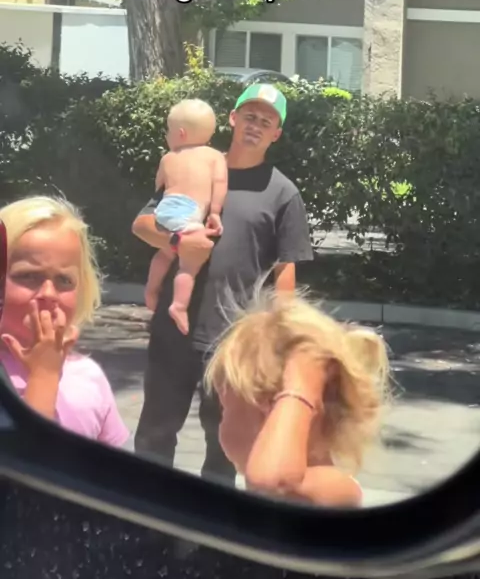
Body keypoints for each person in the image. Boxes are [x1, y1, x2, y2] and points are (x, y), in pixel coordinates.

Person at [131, 83, 313, 482]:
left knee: (225, 448)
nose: (256, 125)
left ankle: (213, 521)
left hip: (234, 341)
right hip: (174, 330)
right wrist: (177, 241)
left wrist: (279, 338)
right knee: (154, 435)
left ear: (276, 134)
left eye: (266, 121)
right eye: (249, 116)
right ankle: (144, 513)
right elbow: (143, 224)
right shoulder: (195, 165)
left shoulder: (283, 193)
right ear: (232, 118)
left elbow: (285, 269)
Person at [204, 289, 390, 507]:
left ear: (270, 408)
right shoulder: (282, 482)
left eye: (224, 409)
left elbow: (271, 484)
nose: (220, 426)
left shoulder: (338, 488)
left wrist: (300, 385)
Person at [0, 195, 129, 447]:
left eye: (64, 280)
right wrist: (44, 377)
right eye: (28, 276)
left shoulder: (89, 376)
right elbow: (27, 461)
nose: (49, 293)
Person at [144, 98, 228, 336]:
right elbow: (219, 183)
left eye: (168, 131)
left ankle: (151, 289)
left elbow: (159, 185)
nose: (166, 136)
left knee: (165, 252)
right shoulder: (214, 156)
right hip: (190, 211)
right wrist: (214, 212)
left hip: (166, 209)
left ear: (180, 133)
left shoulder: (168, 157)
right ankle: (179, 305)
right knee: (189, 264)